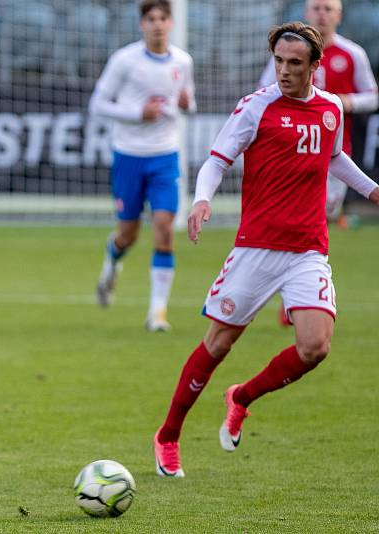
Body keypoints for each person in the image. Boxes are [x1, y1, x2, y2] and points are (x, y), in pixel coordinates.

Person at [153, 22, 379, 478]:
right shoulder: (256, 108)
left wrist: (372, 190)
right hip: (255, 249)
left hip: (307, 250)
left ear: (315, 67)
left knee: (315, 346)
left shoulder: (331, 108)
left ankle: (242, 397)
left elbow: (334, 157)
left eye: (295, 63)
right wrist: (201, 200)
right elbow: (217, 160)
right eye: (279, 61)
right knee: (218, 344)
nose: (284, 71)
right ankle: (169, 435)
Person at [88, 0, 196, 332]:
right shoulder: (124, 60)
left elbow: (189, 101)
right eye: (151, 19)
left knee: (164, 228)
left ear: (171, 24)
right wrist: (138, 113)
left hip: (165, 156)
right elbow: (98, 104)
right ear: (142, 25)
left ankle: (157, 313)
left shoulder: (183, 61)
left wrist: (187, 104)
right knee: (128, 235)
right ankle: (112, 262)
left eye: (163, 19)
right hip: (129, 156)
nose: (158, 25)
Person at [259, 0, 378, 226]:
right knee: (296, 214)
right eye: (316, 8)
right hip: (292, 145)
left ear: (339, 16)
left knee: (326, 214)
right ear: (307, 13)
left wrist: (347, 102)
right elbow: (263, 91)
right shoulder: (288, 52)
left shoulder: (353, 53)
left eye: (328, 9)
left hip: (336, 149)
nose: (322, 14)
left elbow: (373, 97)